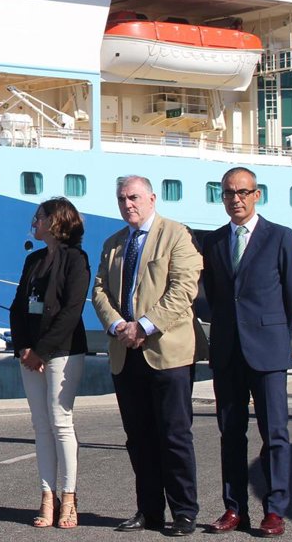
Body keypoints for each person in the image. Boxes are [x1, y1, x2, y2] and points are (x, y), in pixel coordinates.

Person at [92, 176, 205, 537]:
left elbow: (183, 289)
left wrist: (143, 326)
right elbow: (99, 291)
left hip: (167, 353)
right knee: (138, 437)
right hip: (125, 352)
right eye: (122, 199)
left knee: (174, 435)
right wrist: (117, 326)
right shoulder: (113, 243)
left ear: (152, 198)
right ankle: (150, 511)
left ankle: (184, 511)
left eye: (134, 197)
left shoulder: (176, 235)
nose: (128, 204)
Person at [200, 167, 292, 538]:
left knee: (274, 433)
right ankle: (234, 509)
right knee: (231, 434)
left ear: (256, 195)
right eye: (229, 193)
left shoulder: (280, 237)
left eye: (242, 192)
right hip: (228, 351)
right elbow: (213, 297)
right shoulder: (214, 242)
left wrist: (276, 336)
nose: (236, 199)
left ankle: (274, 511)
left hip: (268, 351)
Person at [11, 198, 90, 529]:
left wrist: (42, 351)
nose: (35, 222)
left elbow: (72, 311)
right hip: (30, 353)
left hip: (63, 352)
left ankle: (69, 497)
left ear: (56, 221)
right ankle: (47, 496)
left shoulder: (76, 260)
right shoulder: (34, 259)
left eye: (39, 217)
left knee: (60, 422)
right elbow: (18, 306)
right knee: (40, 425)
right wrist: (23, 347)